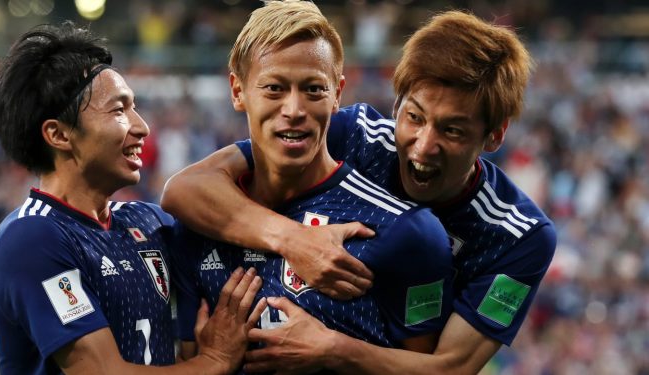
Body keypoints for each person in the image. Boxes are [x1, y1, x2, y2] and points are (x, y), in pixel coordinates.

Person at [161, 9, 557, 375]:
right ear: (396, 102)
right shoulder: (355, 134)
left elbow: (450, 368)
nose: (422, 145)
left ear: (495, 135)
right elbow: (187, 188)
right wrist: (295, 241)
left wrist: (332, 347)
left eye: (452, 130)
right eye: (414, 117)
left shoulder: (519, 236)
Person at [170, 1, 455, 370]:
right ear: (238, 91)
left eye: (313, 89)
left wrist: (336, 351)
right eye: (274, 88)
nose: (293, 109)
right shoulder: (195, 227)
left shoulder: (407, 232)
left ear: (337, 94)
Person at [0, 22, 264, 375]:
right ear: (58, 134)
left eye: (134, 107)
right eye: (119, 110)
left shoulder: (149, 222)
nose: (142, 126)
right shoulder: (31, 238)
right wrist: (214, 362)